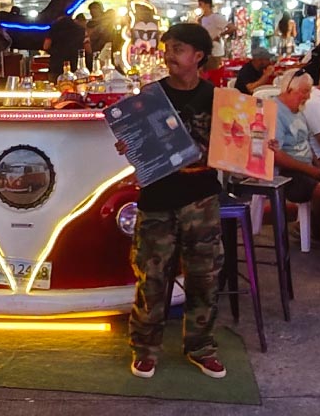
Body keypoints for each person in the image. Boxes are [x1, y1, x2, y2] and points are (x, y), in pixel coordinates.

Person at [125, 23, 226, 380]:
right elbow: (137, 144)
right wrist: (129, 145)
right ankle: (145, 349)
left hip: (200, 198)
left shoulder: (219, 99)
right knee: (151, 277)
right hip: (157, 197)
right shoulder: (151, 95)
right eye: (167, 47)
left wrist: (259, 147)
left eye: (178, 48)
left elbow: (234, 146)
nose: (169, 54)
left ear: (198, 56)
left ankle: (201, 346)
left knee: (204, 276)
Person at [272, 69, 320, 240]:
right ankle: (315, 223)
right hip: (286, 171)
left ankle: (314, 222)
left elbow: (306, 142)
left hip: (304, 166)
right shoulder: (276, 112)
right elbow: (276, 155)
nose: (308, 96)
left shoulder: (299, 110)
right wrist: (310, 170)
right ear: (289, 89)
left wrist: (318, 165)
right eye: (304, 92)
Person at [43, 15, 86, 80]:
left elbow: (46, 46)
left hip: (56, 65)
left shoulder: (54, 28)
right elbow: (88, 49)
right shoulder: (80, 29)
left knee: (55, 87)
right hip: (75, 66)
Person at [197, 0, 232, 71]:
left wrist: (219, 35)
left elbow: (232, 27)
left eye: (201, 4)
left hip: (215, 51)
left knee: (212, 73)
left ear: (207, 5)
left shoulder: (216, 17)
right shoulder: (202, 19)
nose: (199, 7)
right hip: (205, 51)